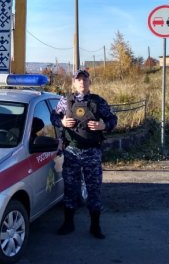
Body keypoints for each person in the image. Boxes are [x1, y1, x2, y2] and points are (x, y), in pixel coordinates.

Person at [50, 69, 117, 239]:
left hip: (92, 151)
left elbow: (112, 119)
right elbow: (53, 117)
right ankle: (68, 223)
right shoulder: (65, 101)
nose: (82, 82)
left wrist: (103, 126)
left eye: (84, 79)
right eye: (78, 80)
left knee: (93, 189)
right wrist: (62, 122)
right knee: (70, 188)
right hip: (72, 151)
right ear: (74, 82)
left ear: (89, 82)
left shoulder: (98, 101)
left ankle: (95, 226)